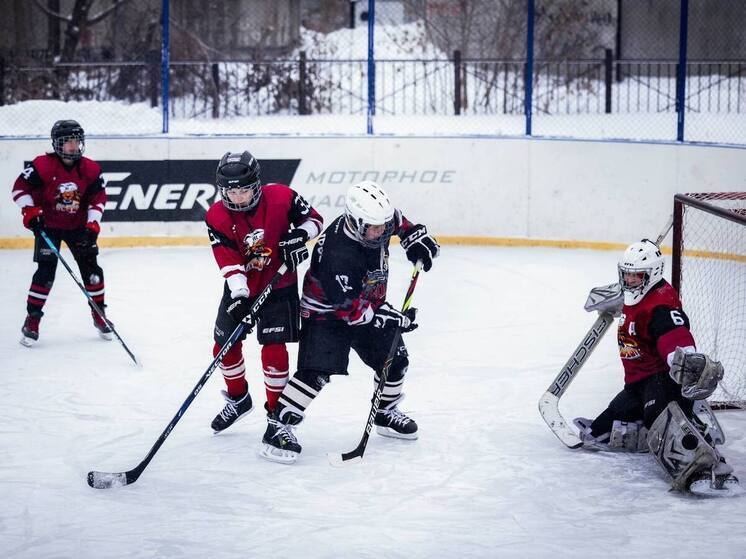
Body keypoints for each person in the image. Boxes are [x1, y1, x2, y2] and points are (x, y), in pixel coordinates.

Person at [258, 180, 440, 464]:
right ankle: (278, 425)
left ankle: (385, 411)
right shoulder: (338, 253)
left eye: (383, 227)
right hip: (326, 314)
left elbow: (399, 222)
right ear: (355, 222)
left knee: (396, 360)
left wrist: (414, 238)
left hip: (365, 302)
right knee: (315, 373)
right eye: (374, 228)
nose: (380, 233)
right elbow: (353, 314)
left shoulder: (379, 219)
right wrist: (389, 319)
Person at [574, 239, 741, 496]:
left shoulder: (661, 304)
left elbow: (674, 335)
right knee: (600, 431)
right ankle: (663, 423)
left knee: (661, 420)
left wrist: (683, 360)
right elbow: (624, 296)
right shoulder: (635, 292)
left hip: (661, 379)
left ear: (651, 274)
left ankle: (708, 465)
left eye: (635, 276)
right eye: (625, 274)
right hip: (638, 383)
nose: (629, 280)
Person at [206, 150, 323, 436]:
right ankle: (238, 398)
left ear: (256, 184)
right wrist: (240, 296)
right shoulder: (216, 216)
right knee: (224, 347)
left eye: (244, 189)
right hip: (240, 288)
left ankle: (276, 416)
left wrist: (300, 235)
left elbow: (315, 220)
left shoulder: (282, 196)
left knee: (274, 351)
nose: (238, 198)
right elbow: (230, 262)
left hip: (280, 286)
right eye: (231, 192)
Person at [12, 119, 112, 347]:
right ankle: (32, 320)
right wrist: (30, 211)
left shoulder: (90, 169)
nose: (74, 146)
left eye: (77, 141)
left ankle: (99, 314)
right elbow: (19, 189)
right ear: (57, 144)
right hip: (49, 226)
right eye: (68, 142)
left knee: (92, 269)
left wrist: (92, 225)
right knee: (45, 273)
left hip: (78, 227)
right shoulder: (42, 165)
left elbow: (98, 199)